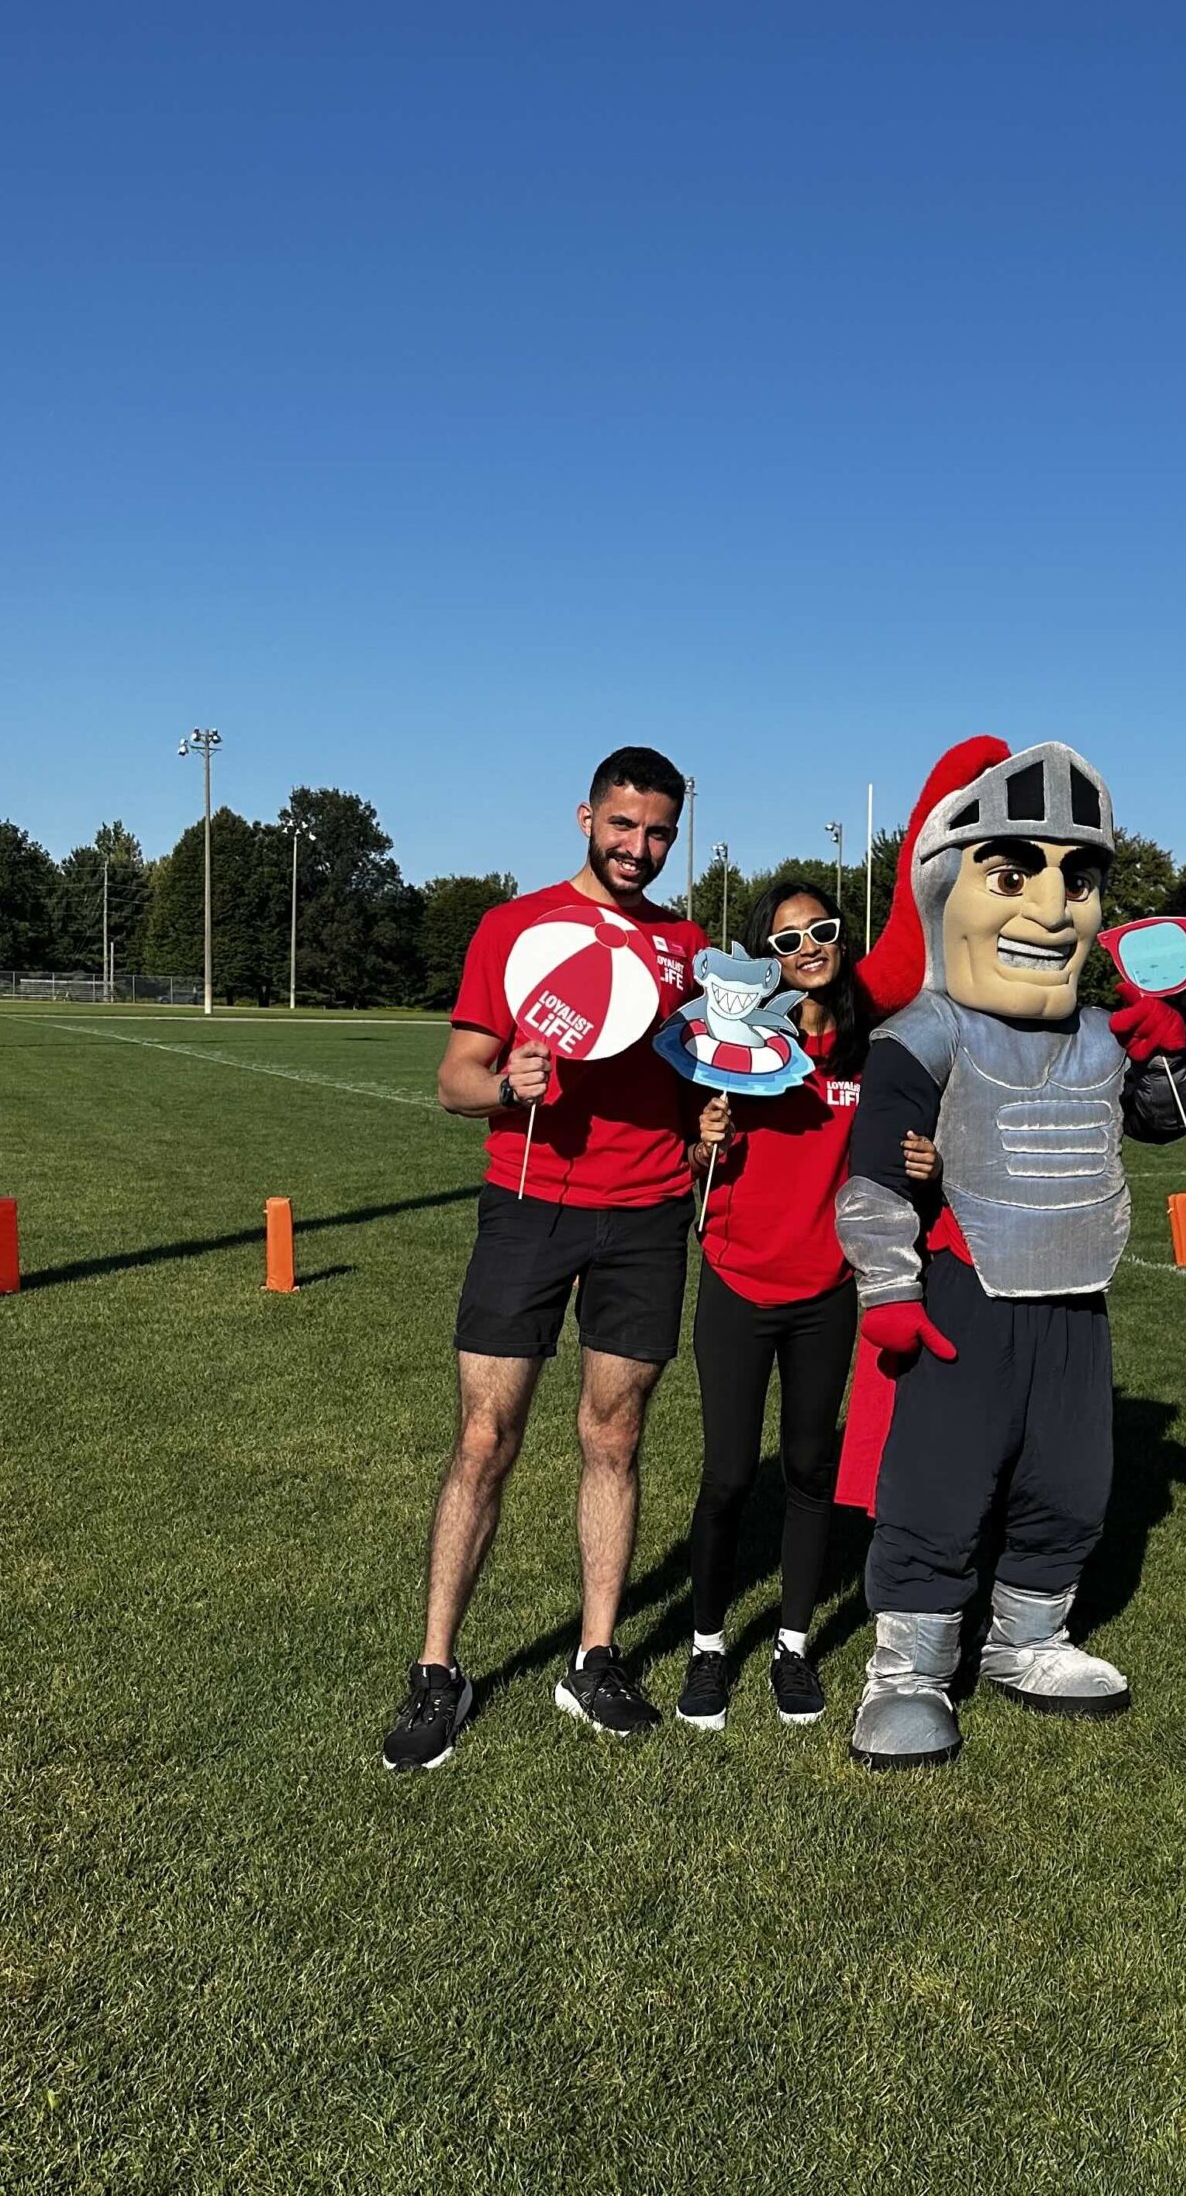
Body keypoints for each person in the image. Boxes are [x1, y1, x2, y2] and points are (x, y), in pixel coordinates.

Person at [831, 736, 1186, 1770]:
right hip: (966, 1292)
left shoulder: (1097, 1034)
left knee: (1070, 1478)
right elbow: (868, 1177)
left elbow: (1170, 1118)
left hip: (1074, 1295)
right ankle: (906, 1668)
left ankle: (1026, 1639)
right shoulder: (923, 1031)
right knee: (940, 1482)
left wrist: (1166, 1047)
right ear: (948, 887)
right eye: (1014, 874)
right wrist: (888, 1289)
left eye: (1076, 877)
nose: (1052, 905)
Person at [380, 745, 705, 1770]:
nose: (637, 848)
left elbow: (697, 1073)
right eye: (622, 825)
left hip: (648, 1215)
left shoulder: (685, 946)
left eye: (656, 831)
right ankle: (438, 1669)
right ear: (584, 817)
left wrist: (710, 1121)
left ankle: (593, 1657)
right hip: (529, 1209)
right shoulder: (512, 929)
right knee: (485, 1438)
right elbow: (452, 1083)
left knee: (613, 1437)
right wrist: (507, 1084)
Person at [674, 878, 939, 1733]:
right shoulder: (735, 1051)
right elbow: (690, 1170)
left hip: (828, 1293)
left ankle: (792, 1644)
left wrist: (927, 1169)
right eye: (785, 940)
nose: (807, 949)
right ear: (764, 958)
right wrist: (702, 1140)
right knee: (725, 1477)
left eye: (820, 930)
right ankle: (708, 1646)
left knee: (810, 1473)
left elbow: (903, 1165)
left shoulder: (873, 1054)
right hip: (737, 1282)